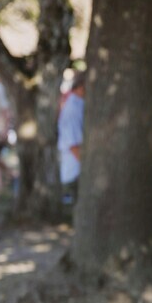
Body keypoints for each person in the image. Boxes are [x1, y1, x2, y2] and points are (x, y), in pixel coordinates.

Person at [57, 70, 86, 205]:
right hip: (75, 171)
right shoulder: (72, 109)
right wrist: (87, 168)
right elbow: (73, 144)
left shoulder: (78, 105)